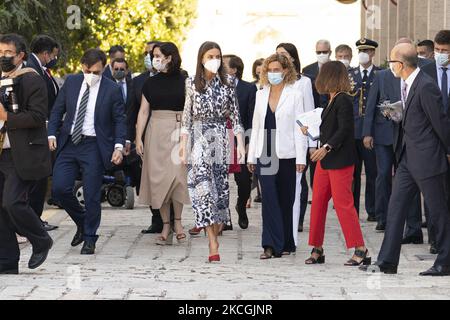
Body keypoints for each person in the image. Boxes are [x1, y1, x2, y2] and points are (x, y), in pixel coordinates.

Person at [361, 43, 450, 276]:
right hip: (407, 159)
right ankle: (387, 261)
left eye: (391, 62)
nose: (389, 66)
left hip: (428, 160)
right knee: (395, 207)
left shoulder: (426, 86)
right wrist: (397, 115)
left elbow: (440, 124)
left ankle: (445, 261)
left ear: (400, 64)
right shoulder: (405, 83)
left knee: (438, 211)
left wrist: (447, 153)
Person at [48, 48, 127, 255]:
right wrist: (51, 134)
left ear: (104, 69)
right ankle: (82, 222)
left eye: (98, 72)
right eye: (89, 71)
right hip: (69, 143)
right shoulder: (72, 82)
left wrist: (119, 146)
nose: (93, 76)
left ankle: (90, 237)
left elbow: (120, 119)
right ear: (83, 66)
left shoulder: (112, 89)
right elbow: (58, 110)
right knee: (59, 189)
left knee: (92, 194)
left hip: (94, 146)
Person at [180, 41, 246, 262]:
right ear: (201, 58)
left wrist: (241, 144)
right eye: (210, 56)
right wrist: (182, 146)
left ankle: (216, 226)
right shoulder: (191, 83)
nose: (215, 59)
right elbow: (187, 117)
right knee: (203, 188)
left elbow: (236, 117)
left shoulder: (229, 83)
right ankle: (211, 241)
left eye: (218, 55)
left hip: (221, 138)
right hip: (198, 137)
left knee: (220, 191)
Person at [301, 61, 370, 267]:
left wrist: (327, 147)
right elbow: (329, 129)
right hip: (326, 161)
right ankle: (317, 248)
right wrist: (311, 132)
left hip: (339, 159)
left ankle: (360, 248)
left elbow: (345, 130)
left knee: (343, 204)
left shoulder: (343, 100)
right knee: (318, 203)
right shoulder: (331, 100)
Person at [0, 33, 53, 274]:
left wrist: (6, 117)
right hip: (1, 152)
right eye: (0, 53)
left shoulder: (31, 79)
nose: (3, 57)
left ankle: (41, 239)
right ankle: (7, 262)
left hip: (22, 154)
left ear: (21, 55)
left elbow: (37, 117)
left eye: (7, 53)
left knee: (12, 203)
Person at [363, 38, 426, 236]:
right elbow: (371, 105)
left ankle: (413, 225)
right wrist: (367, 132)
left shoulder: (417, 75)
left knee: (409, 179)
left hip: (407, 137)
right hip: (384, 135)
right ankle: (383, 217)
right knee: (383, 175)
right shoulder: (382, 76)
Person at [247, 53, 308, 259]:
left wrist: (301, 157)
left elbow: (300, 127)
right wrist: (251, 156)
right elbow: (255, 126)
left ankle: (286, 242)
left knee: (286, 198)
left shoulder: (295, 94)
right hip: (265, 153)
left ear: (285, 71)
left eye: (277, 70)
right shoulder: (260, 94)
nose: (273, 73)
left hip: (288, 153)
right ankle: (269, 244)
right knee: (269, 199)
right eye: (270, 70)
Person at [136, 42, 190, 245]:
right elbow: (143, 111)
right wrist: (138, 137)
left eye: (158, 55)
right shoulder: (150, 83)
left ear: (169, 57)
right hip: (156, 131)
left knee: (177, 178)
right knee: (159, 179)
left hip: (179, 130)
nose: (154, 58)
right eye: (153, 55)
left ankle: (178, 222)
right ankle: (165, 224)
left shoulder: (186, 80)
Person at [275, 43, 315, 236]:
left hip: (299, 139)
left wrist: (311, 143)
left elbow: (308, 113)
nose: (280, 57)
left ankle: (297, 219)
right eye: (277, 54)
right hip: (276, 141)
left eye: (283, 54)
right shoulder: (272, 82)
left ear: (292, 58)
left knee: (298, 181)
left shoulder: (304, 82)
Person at [27, 35, 60, 232]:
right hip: (36, 131)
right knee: (37, 178)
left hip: (45, 129)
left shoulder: (42, 69)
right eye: (53, 55)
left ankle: (36, 218)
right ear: (46, 53)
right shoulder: (32, 69)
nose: (54, 59)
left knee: (41, 177)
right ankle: (32, 220)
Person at [421, 30, 450, 254]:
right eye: (438, 50)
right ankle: (435, 239)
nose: (440, 54)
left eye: (445, 51)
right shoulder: (426, 70)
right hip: (432, 141)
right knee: (433, 192)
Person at [222, 54, 257, 230]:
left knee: (243, 181)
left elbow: (251, 117)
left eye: (224, 65)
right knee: (221, 181)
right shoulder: (216, 86)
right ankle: (224, 218)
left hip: (240, 140)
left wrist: (249, 142)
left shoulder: (249, 89)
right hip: (220, 139)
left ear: (234, 70)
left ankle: (241, 207)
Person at [348, 38, 380, 222]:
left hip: (371, 131)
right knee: (353, 173)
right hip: (352, 132)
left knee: (372, 172)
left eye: (367, 51)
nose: (363, 54)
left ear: (373, 53)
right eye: (360, 50)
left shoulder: (380, 74)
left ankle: (373, 209)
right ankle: (352, 209)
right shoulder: (350, 74)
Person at [303, 39, 332, 109]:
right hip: (313, 108)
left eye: (324, 52)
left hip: (331, 108)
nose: (321, 54)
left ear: (330, 52)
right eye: (318, 52)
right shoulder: (307, 70)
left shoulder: (337, 68)